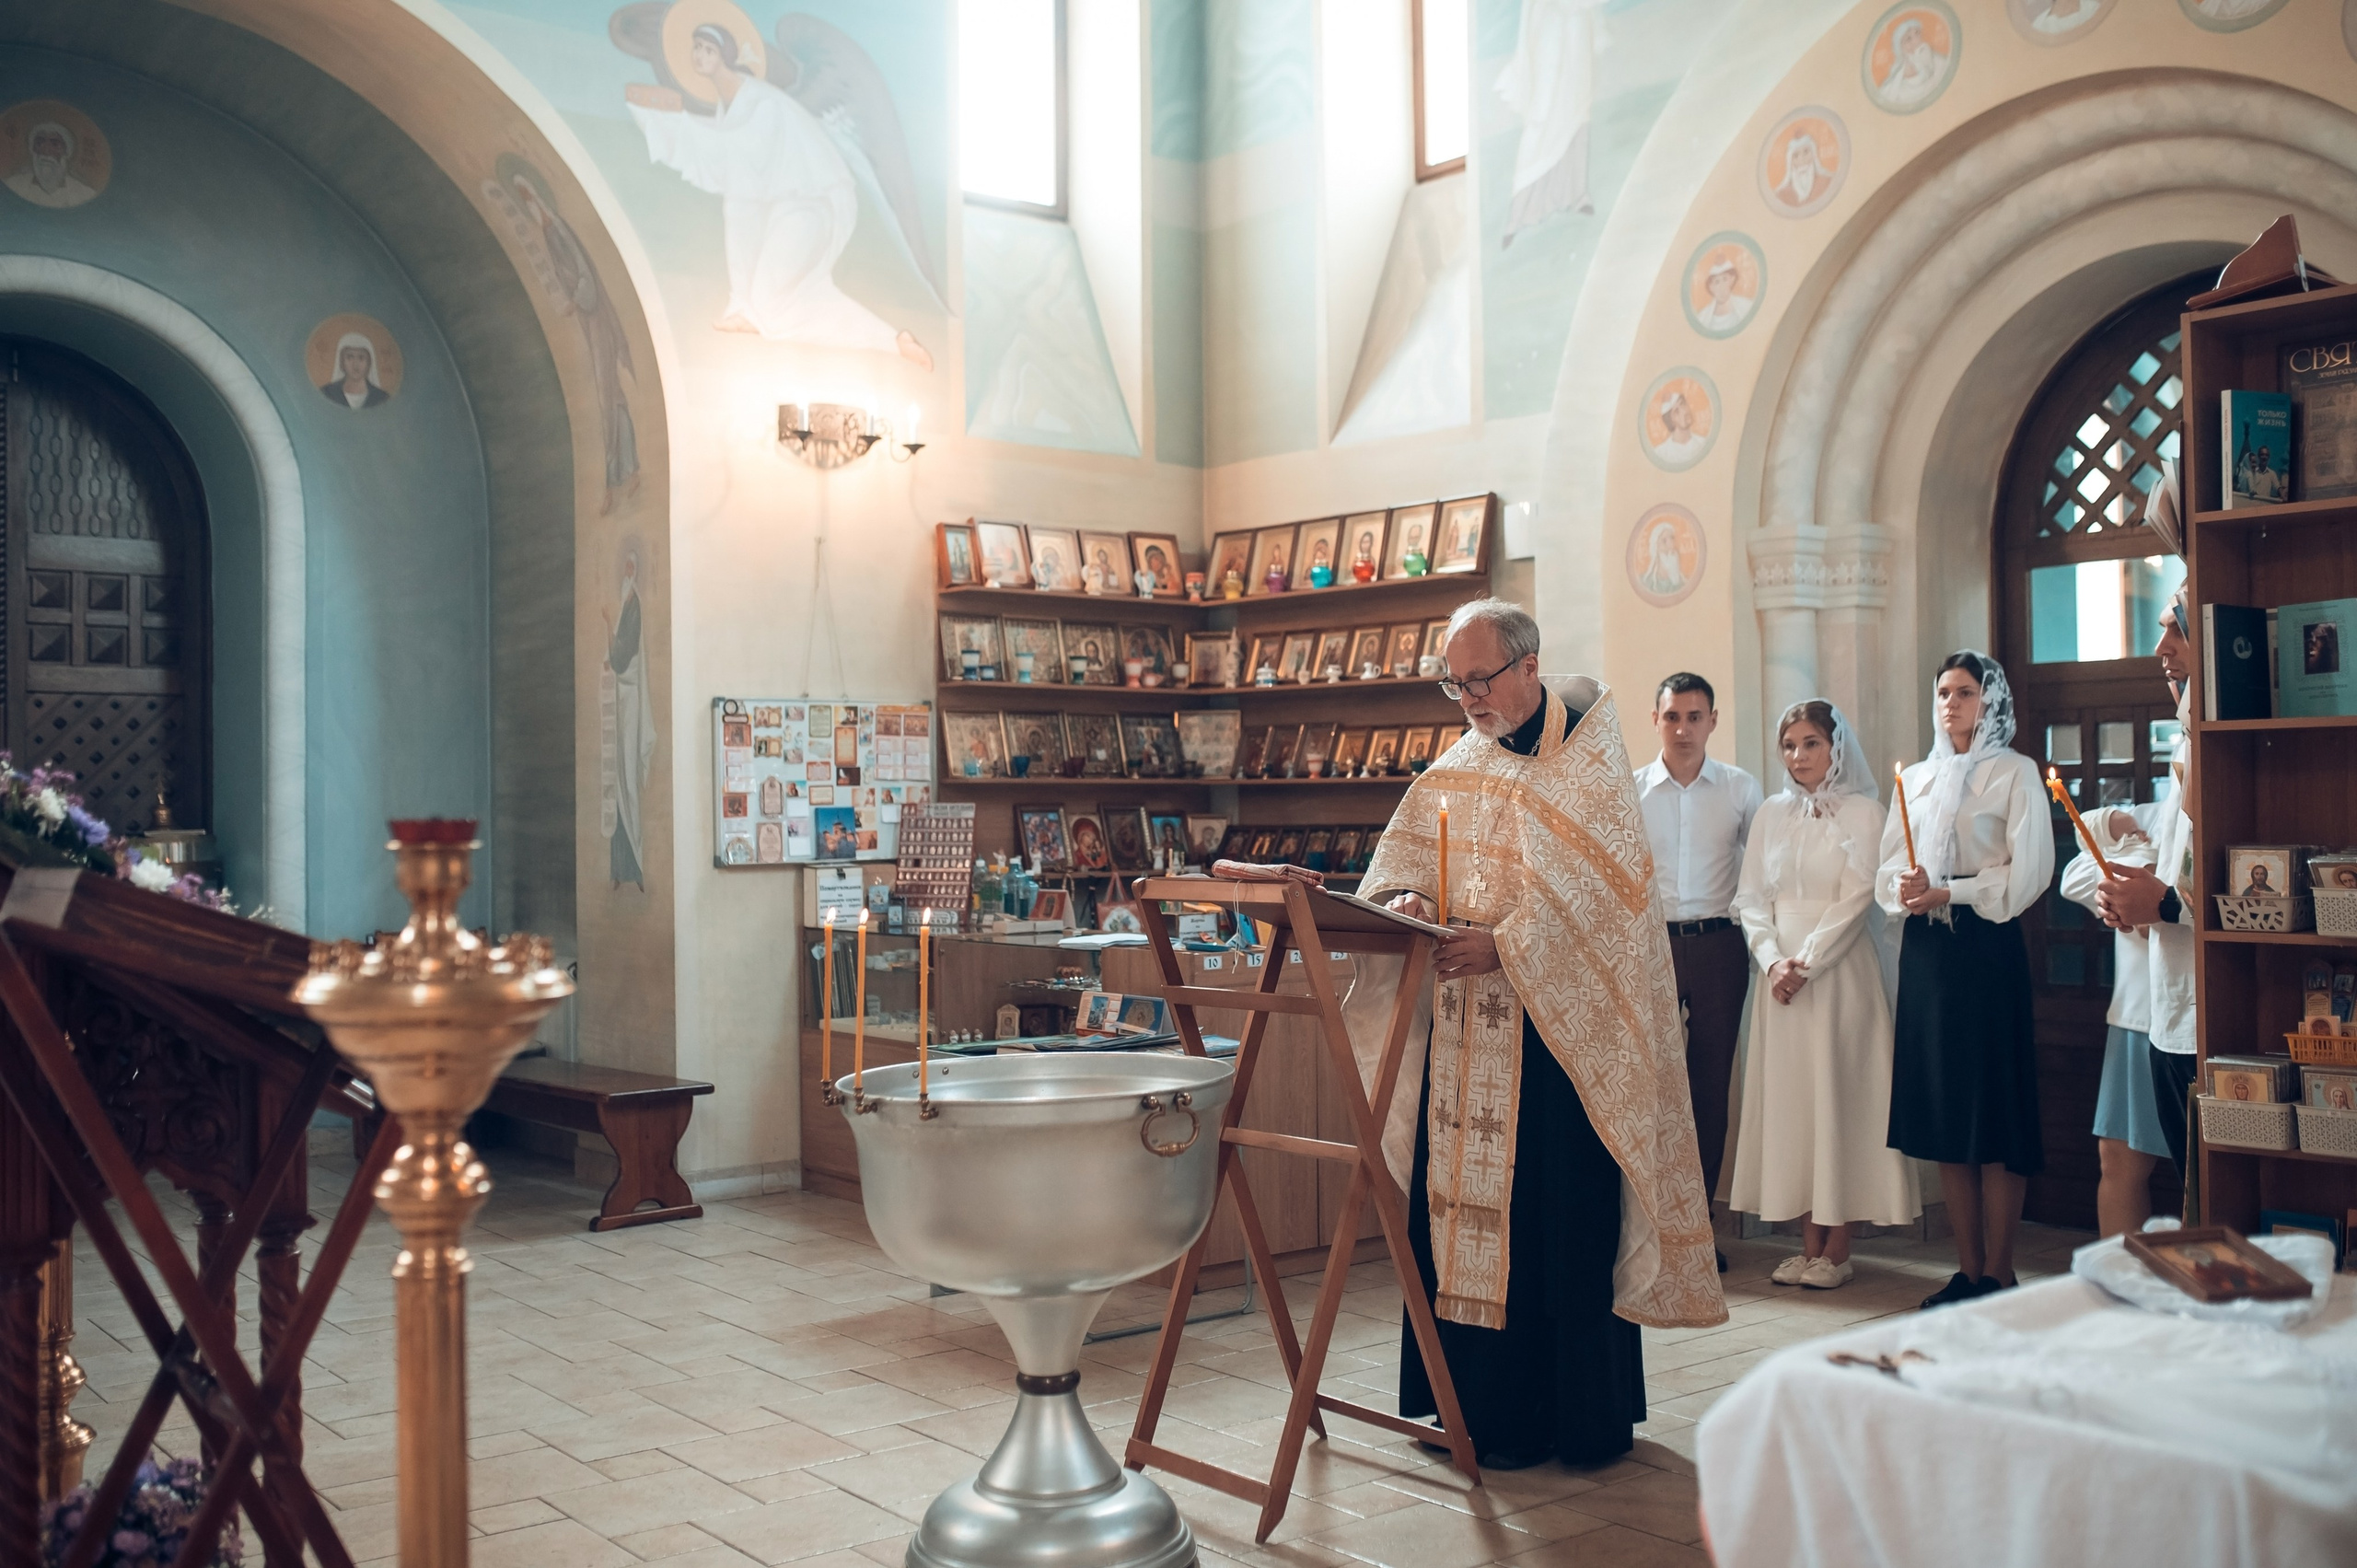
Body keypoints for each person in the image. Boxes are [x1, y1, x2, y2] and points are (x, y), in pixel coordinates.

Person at [1364, 598, 1724, 1469]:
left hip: (1559, 1054)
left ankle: (1565, 1419)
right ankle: (1471, 1410)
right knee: (1457, 1221)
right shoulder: (1461, 758)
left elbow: (1611, 912)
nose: (1466, 700)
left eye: (1478, 680)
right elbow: (1400, 864)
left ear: (1529, 665)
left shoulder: (1589, 765)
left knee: (1556, 1225)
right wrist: (1406, 902)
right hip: (1465, 1039)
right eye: (1453, 684)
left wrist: (1507, 944)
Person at [1879, 650, 2052, 1308]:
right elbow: (1888, 866)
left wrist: (1952, 890)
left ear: (1992, 700)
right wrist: (1908, 886)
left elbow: (2029, 869)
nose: (1951, 703)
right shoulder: (1918, 777)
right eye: (1944, 691)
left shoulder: (2014, 772)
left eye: (1966, 691)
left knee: (1995, 1111)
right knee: (1948, 1111)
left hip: (1985, 948)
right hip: (1928, 955)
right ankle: (1967, 1267)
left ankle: (2001, 1271)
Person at [1729, 702, 1918, 1289]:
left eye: (1811, 743)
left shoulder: (1866, 812)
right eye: (1789, 745)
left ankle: (1839, 1247)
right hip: (1778, 981)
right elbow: (1750, 897)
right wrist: (1771, 962)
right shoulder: (1769, 813)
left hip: (1837, 977)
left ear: (1836, 748)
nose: (1799, 756)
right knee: (1796, 1106)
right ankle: (1807, 1244)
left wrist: (1805, 963)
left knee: (1840, 1100)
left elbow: (1861, 895)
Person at [623, 25, 932, 366]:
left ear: (724, 56)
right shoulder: (732, 104)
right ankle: (890, 339)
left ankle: (887, 340)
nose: (699, 56)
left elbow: (731, 152)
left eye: (707, 49)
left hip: (811, 208)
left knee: (770, 302)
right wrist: (665, 120)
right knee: (767, 266)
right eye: (696, 47)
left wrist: (674, 125)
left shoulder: (761, 102)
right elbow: (727, 150)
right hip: (785, 209)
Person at [1636, 672, 1762, 1269]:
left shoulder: (1741, 790)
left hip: (1719, 946)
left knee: (1710, 1091)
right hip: (1651, 948)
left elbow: (1765, 874)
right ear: (1655, 719)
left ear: (1713, 720)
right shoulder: (1630, 790)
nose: (1683, 728)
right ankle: (1650, 1231)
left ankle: (1699, 1231)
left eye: (1694, 716)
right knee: (1652, 1089)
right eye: (1672, 716)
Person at [2093, 593, 2199, 1178]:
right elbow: (2179, 869)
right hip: (2167, 1013)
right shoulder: (2185, 742)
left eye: (2176, 632)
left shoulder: (2227, 740)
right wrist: (2138, 898)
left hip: (2210, 1011)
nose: (2160, 649)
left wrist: (2159, 902)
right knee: (2194, 1190)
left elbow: (2248, 888)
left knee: (2217, 1195)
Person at [2060, 799, 2171, 1237]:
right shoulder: (2157, 814)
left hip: (2199, 1014)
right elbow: (2076, 874)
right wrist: (2131, 838)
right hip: (2135, 1014)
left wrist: (2154, 897)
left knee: (2204, 1166)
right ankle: (2122, 1284)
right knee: (2119, 1159)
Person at [319, 333, 391, 409]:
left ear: (369, 363)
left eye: (361, 358)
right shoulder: (328, 393)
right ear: (341, 362)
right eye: (350, 357)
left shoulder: (381, 397)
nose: (355, 364)